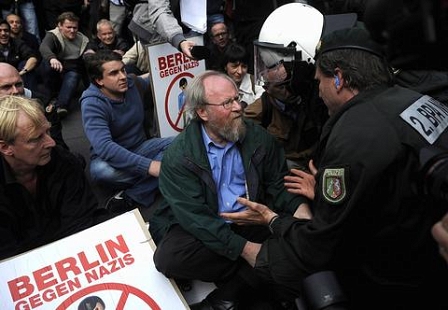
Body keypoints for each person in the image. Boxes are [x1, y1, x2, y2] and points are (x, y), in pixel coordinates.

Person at [223, 27, 448, 309]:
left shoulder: (355, 132)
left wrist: (271, 219)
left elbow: (320, 243)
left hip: (396, 280)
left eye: (320, 81)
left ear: (339, 78)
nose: (318, 91)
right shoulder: (416, 99)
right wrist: (326, 192)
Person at [149, 70, 312, 309]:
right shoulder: (179, 156)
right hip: (207, 225)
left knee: (298, 235)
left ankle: (230, 292)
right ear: (202, 112)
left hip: (252, 220)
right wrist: (247, 251)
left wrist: (302, 212)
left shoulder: (258, 138)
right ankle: (259, 272)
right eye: (227, 103)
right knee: (168, 258)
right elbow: (196, 218)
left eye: (237, 99)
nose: (238, 108)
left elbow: (278, 185)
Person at [0, 95, 110, 261]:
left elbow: (80, 224)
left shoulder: (62, 161)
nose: (51, 142)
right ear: (6, 147)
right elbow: (7, 255)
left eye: (48, 131)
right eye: (36, 139)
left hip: (70, 253)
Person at [80, 49, 174, 212]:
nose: (122, 76)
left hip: (142, 147)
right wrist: (149, 166)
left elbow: (156, 77)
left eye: (123, 70)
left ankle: (134, 194)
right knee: (101, 171)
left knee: (180, 143)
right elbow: (105, 148)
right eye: (114, 73)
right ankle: (168, 174)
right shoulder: (92, 103)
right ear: (99, 80)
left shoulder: (132, 84)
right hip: (111, 160)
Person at [0, 62, 67, 149]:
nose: (15, 91)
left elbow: (57, 145)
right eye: (6, 87)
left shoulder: (42, 104)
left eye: (18, 84)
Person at [39, 11, 90, 118]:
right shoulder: (52, 35)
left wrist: (90, 51)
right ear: (60, 26)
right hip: (55, 70)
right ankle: (50, 97)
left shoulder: (82, 38)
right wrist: (52, 58)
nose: (72, 30)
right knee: (47, 64)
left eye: (75, 28)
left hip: (72, 70)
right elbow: (44, 47)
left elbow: (91, 47)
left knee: (74, 75)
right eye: (68, 27)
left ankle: (61, 106)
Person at [128, 0, 196, 59]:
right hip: (154, 27)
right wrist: (178, 39)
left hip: (187, 27)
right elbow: (159, 9)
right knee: (167, 67)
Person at [0, 19, 41, 92]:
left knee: (25, 65)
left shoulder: (16, 42)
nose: (3, 33)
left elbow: (33, 58)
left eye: (6, 30)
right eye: (0, 31)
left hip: (18, 77)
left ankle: (30, 98)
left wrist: (22, 72)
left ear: (9, 32)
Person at [221, 42, 264, 108]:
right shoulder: (218, 86)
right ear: (225, 66)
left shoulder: (257, 83)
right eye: (235, 66)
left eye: (244, 66)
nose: (240, 71)